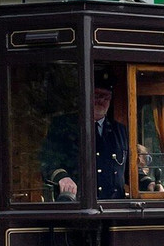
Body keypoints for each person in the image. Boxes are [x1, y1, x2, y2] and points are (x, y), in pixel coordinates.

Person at [40, 67, 128, 200]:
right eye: (97, 96)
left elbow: (129, 168)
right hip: (78, 207)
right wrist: (62, 177)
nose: (101, 101)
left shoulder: (119, 130)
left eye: (106, 97)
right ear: (87, 97)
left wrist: (147, 182)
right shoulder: (64, 126)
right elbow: (47, 161)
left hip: (114, 209)